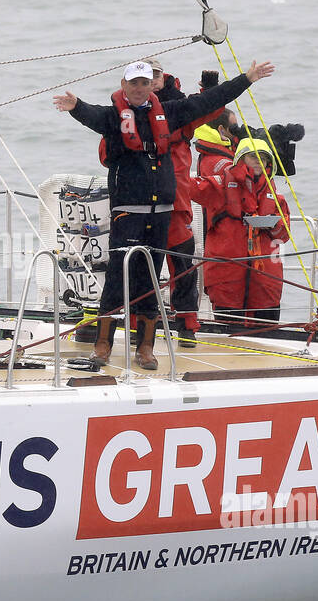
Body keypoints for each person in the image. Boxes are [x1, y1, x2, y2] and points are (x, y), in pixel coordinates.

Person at [53, 58, 274, 369]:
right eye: (135, 83)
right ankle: (103, 345)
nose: (141, 88)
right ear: (124, 86)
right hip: (127, 212)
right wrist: (75, 105)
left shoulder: (170, 113)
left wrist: (247, 78)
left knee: (150, 282)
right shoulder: (113, 117)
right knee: (118, 279)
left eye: (146, 82)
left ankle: (146, 347)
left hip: (162, 212)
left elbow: (212, 100)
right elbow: (91, 115)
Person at [151, 62, 227, 338]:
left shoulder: (181, 108)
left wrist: (210, 88)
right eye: (144, 76)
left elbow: (211, 108)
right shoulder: (128, 113)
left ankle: (187, 325)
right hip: (143, 204)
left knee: (183, 269)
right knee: (143, 268)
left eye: (155, 74)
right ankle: (139, 324)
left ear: (164, 77)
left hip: (177, 203)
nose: (151, 80)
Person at [191, 137, 291, 326]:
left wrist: (273, 225)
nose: (259, 161)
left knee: (267, 337)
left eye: (263, 157)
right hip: (227, 277)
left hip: (266, 281)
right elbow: (187, 187)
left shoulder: (275, 195)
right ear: (241, 158)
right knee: (228, 334)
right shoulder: (219, 186)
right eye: (253, 156)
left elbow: (284, 235)